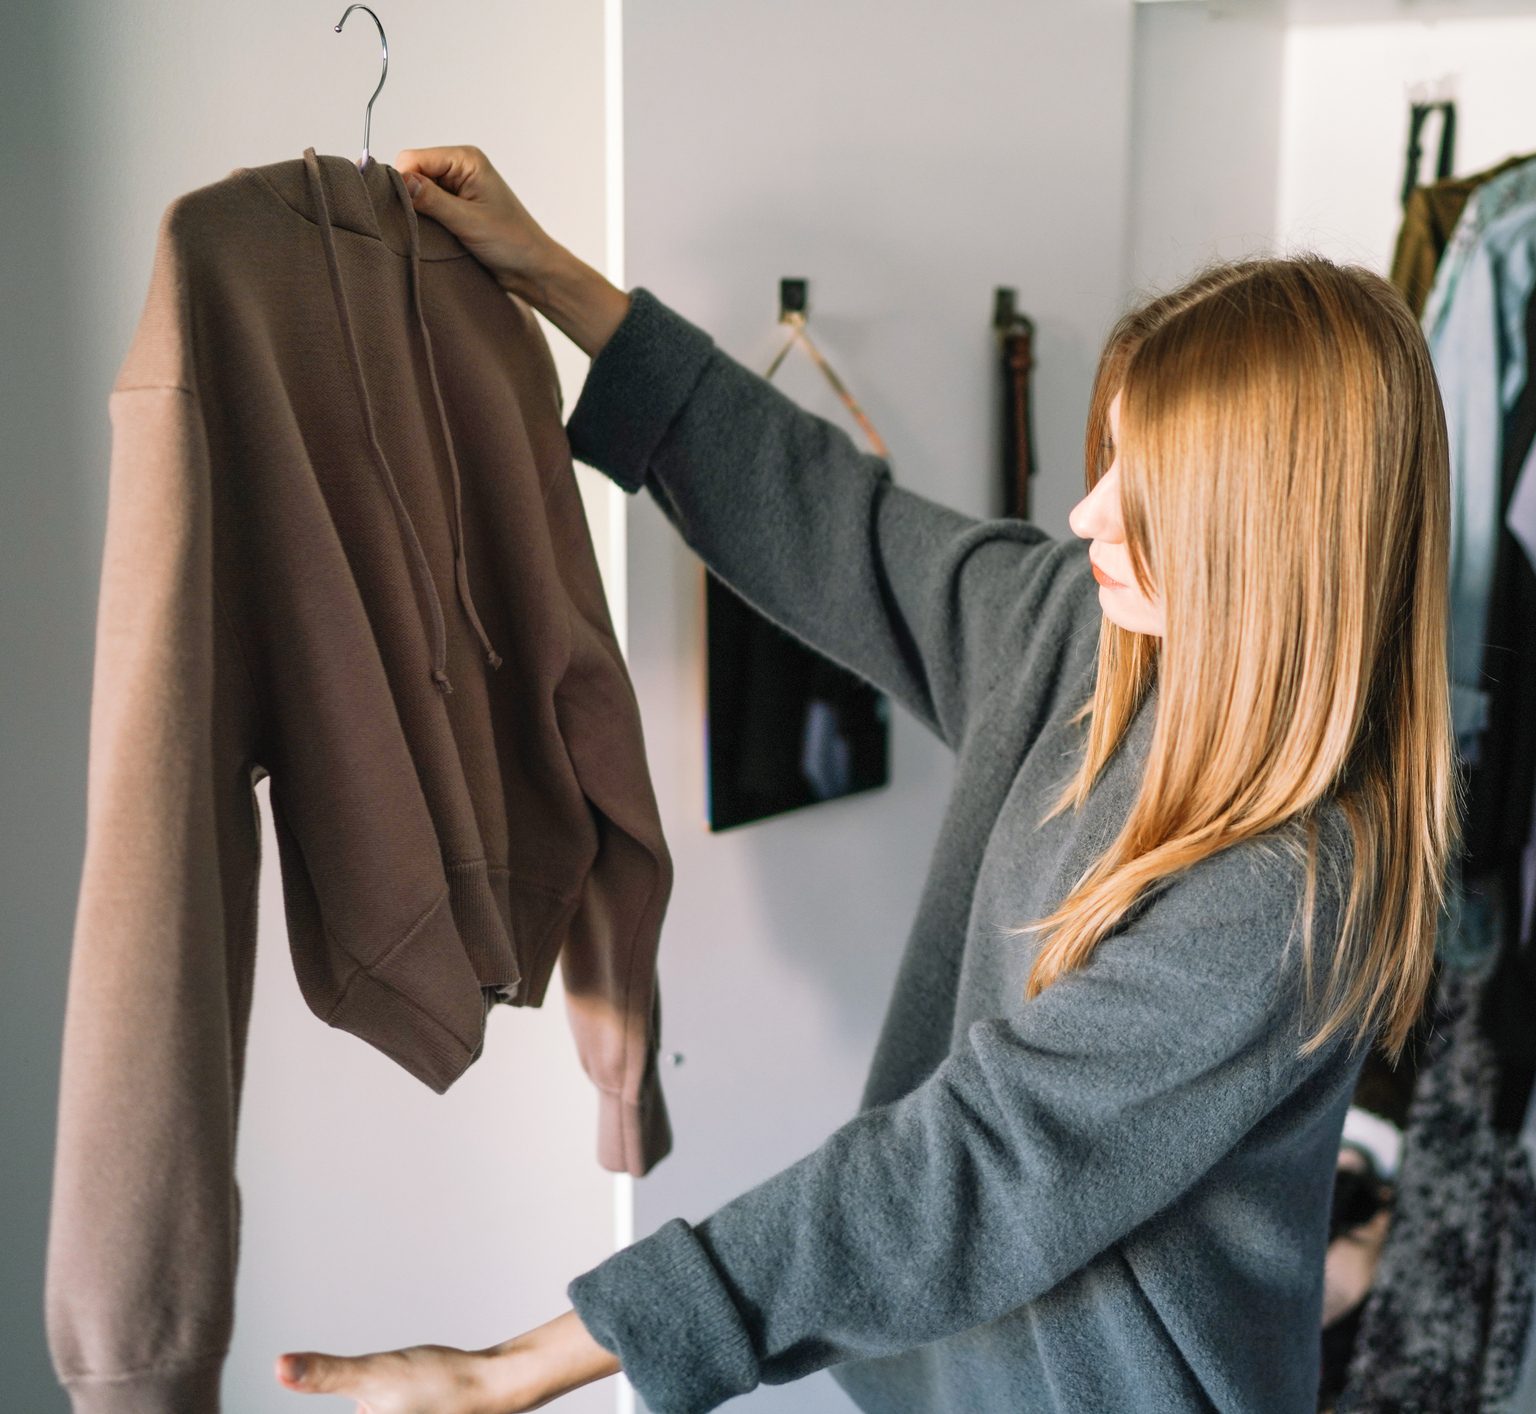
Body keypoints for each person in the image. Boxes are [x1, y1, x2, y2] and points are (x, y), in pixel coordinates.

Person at [275, 144, 1457, 1414]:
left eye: (1147, 493)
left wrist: (517, 1364)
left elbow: (973, 1167)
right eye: (1105, 463)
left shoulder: (1293, 888)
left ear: (1269, 539)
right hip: (936, 1381)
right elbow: (838, 527)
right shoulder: (1085, 629)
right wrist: (554, 279)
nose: (1086, 516)